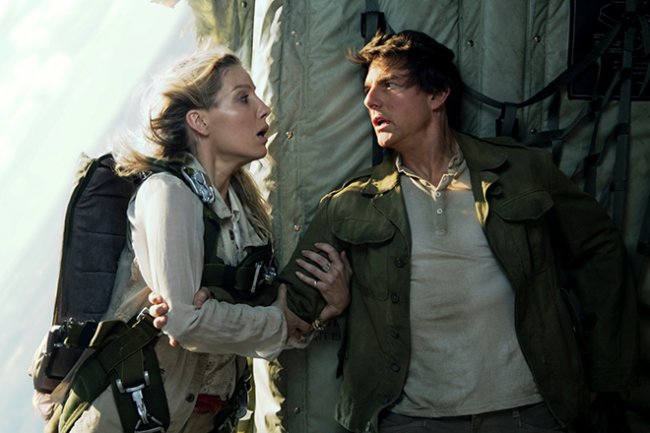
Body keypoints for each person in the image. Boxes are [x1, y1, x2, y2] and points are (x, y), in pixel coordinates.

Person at [276, 30, 639, 433]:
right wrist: (332, 306)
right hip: (412, 420)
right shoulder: (352, 202)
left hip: (528, 413)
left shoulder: (521, 172)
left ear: (437, 94)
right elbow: (288, 311)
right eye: (367, 90)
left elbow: (600, 249)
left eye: (389, 85)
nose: (370, 101)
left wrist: (607, 374)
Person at [47, 48, 350, 433]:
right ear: (200, 121)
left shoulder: (246, 213)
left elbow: (263, 313)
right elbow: (186, 323)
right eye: (243, 98)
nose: (264, 109)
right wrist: (261, 321)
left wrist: (326, 307)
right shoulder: (168, 194)